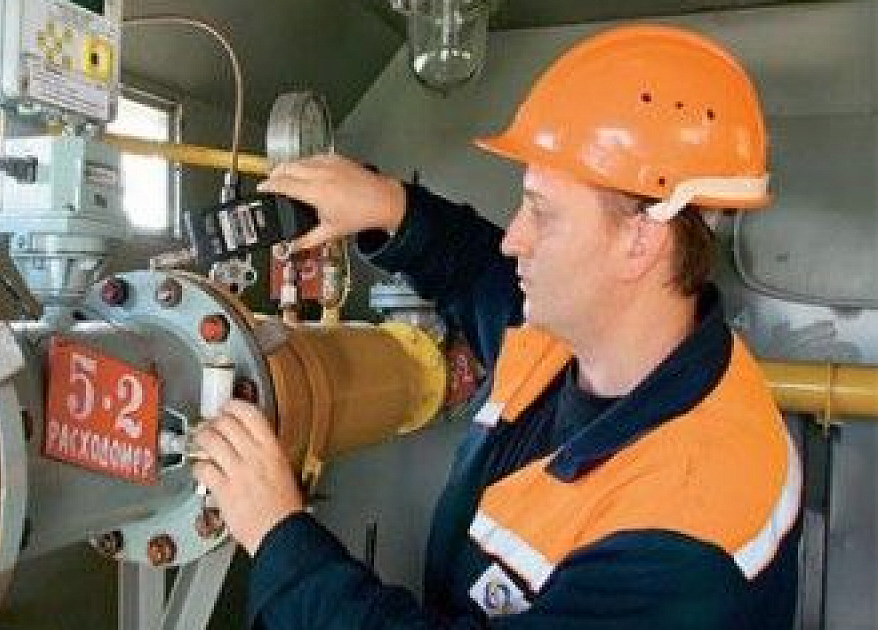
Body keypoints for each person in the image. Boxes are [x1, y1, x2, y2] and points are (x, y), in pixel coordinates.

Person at [191, 24, 801, 629]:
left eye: (542, 212)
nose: (515, 238)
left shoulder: (686, 531)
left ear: (642, 241)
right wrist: (387, 206)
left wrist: (279, 535)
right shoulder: (580, 341)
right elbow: (482, 273)